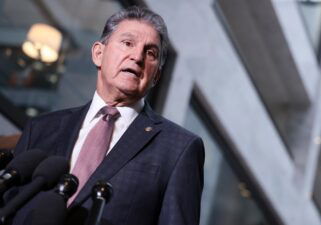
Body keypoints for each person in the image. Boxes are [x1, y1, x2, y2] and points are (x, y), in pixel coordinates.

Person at [9, 6, 205, 225]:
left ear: (156, 76)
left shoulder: (179, 147)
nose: (137, 57)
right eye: (127, 43)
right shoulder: (41, 128)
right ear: (98, 54)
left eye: (150, 53)